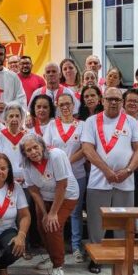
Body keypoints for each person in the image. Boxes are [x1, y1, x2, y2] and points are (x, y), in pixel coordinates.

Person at [81, 87, 138, 273]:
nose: (114, 102)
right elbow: (87, 149)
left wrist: (128, 170)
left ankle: (123, 258)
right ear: (102, 100)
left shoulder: (131, 122)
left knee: (123, 221)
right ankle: (96, 257)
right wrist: (107, 170)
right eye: (110, 98)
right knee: (96, 220)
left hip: (125, 181)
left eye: (117, 99)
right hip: (98, 179)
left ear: (122, 102)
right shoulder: (92, 121)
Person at [21, 134, 79, 275]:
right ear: (24, 153)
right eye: (29, 150)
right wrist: (45, 213)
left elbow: (62, 186)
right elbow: (33, 190)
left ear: (42, 146)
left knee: (53, 226)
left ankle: (58, 266)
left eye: (35, 147)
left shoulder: (56, 156)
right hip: (44, 196)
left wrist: (53, 213)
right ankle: (53, 255)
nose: (33, 152)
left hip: (66, 194)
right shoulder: (26, 165)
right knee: (42, 225)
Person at [44, 93, 86, 263]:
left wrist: (66, 162)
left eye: (68, 104)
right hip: (56, 178)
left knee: (76, 213)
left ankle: (76, 247)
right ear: (57, 106)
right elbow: (46, 147)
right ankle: (57, 248)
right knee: (57, 212)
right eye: (61, 104)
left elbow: (85, 148)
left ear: (74, 105)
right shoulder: (52, 125)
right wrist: (60, 166)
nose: (65, 107)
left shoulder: (82, 125)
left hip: (77, 173)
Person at [0, 104, 27, 186]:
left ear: (21, 118)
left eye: (17, 116)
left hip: (25, 178)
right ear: (6, 119)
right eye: (11, 116)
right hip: (6, 178)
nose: (14, 119)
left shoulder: (27, 136)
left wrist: (26, 177)